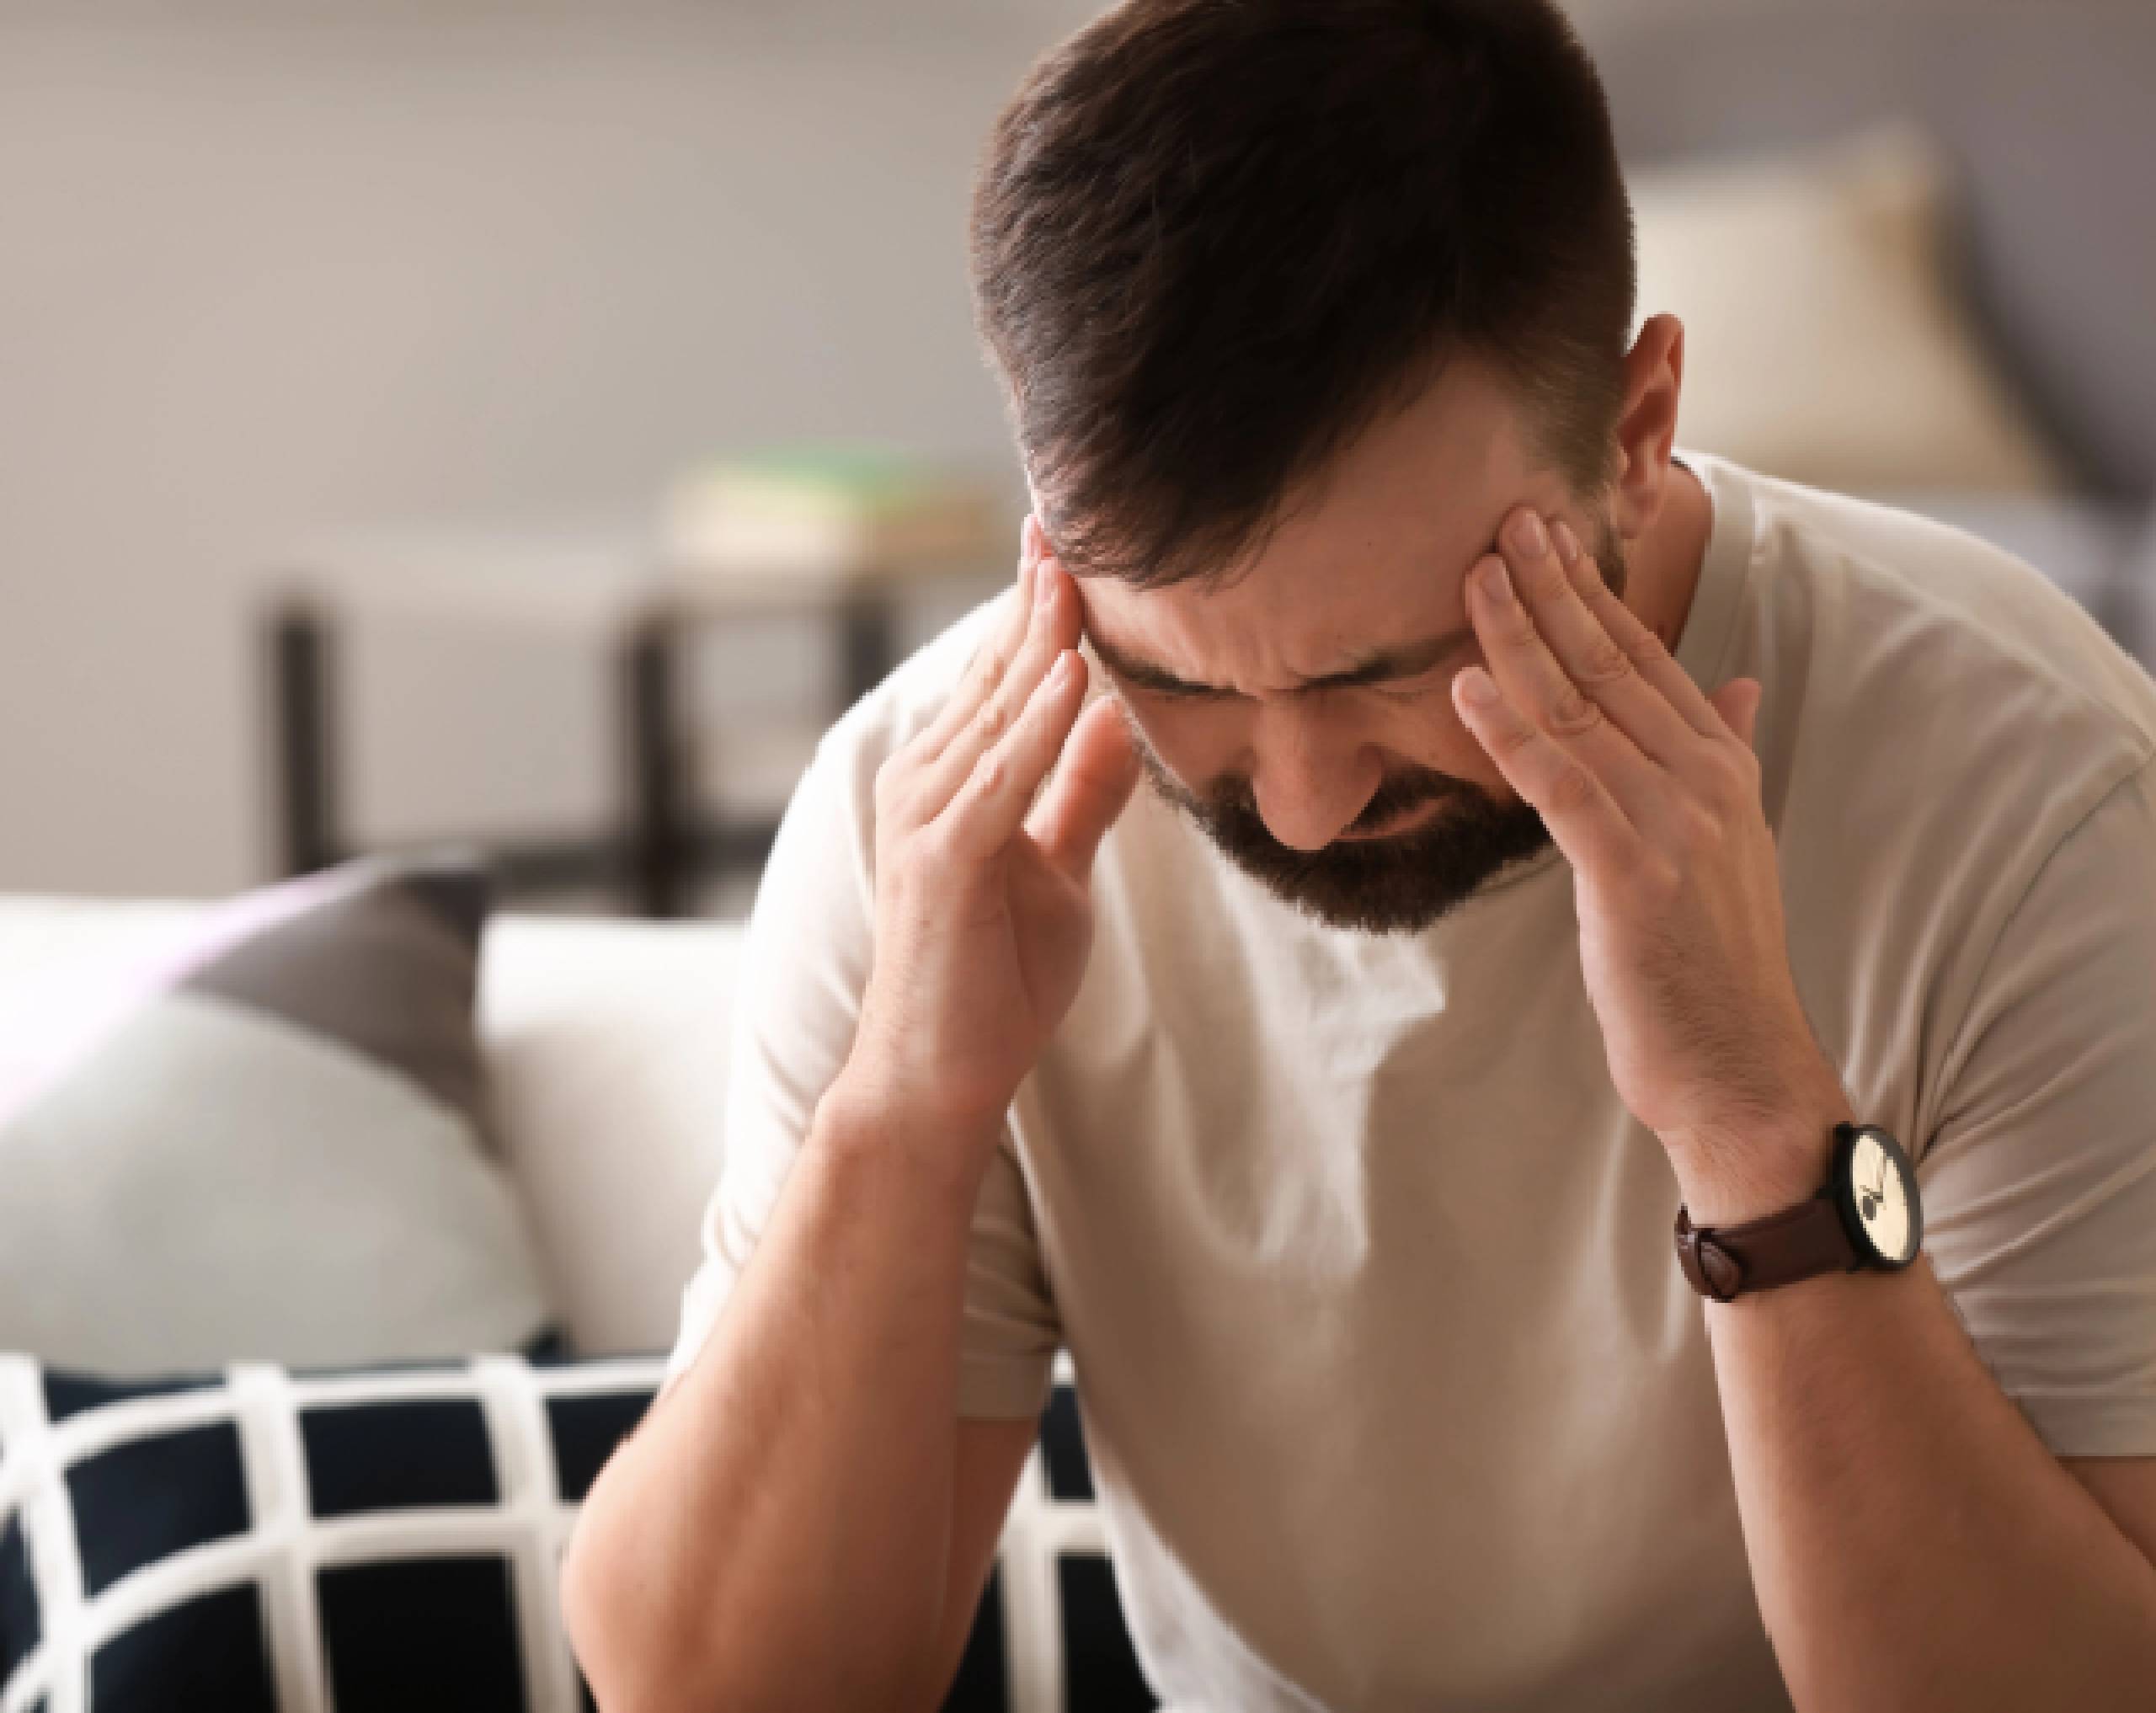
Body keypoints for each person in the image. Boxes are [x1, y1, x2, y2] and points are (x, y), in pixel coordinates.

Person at [561, 3, 2156, 1708]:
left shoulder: (2023, 786)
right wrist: (907, 1109)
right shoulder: (938, 811)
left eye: (1393, 672)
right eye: (1173, 678)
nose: (1302, 805)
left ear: (1634, 427)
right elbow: (719, 1693)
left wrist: (1755, 1123)